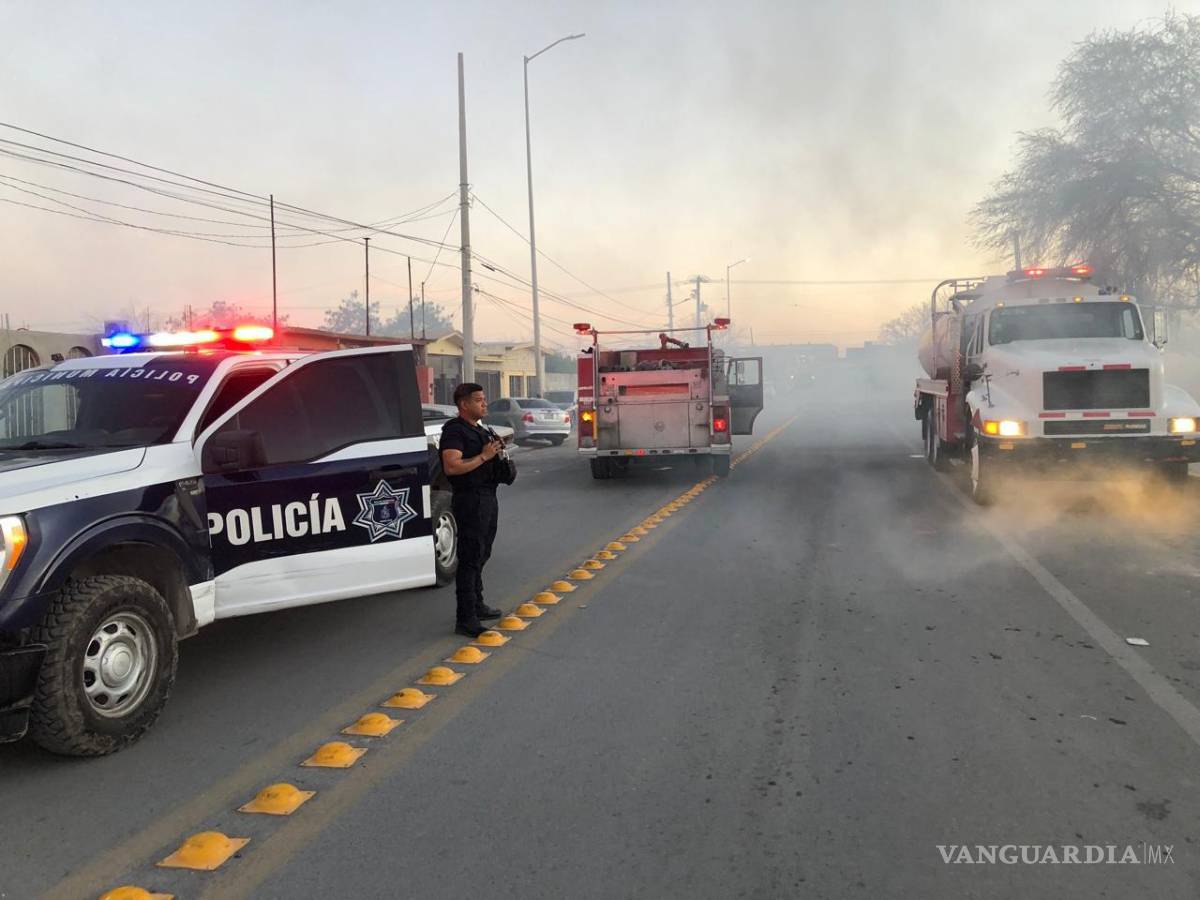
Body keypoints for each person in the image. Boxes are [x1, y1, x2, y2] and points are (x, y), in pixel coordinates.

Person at [439, 383, 507, 636]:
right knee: (469, 558)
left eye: (484, 399)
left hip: (487, 496)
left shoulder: (479, 430)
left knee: (482, 553)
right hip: (470, 499)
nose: (484, 404)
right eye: (479, 400)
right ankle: (465, 618)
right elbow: (452, 467)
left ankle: (477, 604)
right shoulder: (455, 432)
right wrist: (484, 457)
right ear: (464, 404)